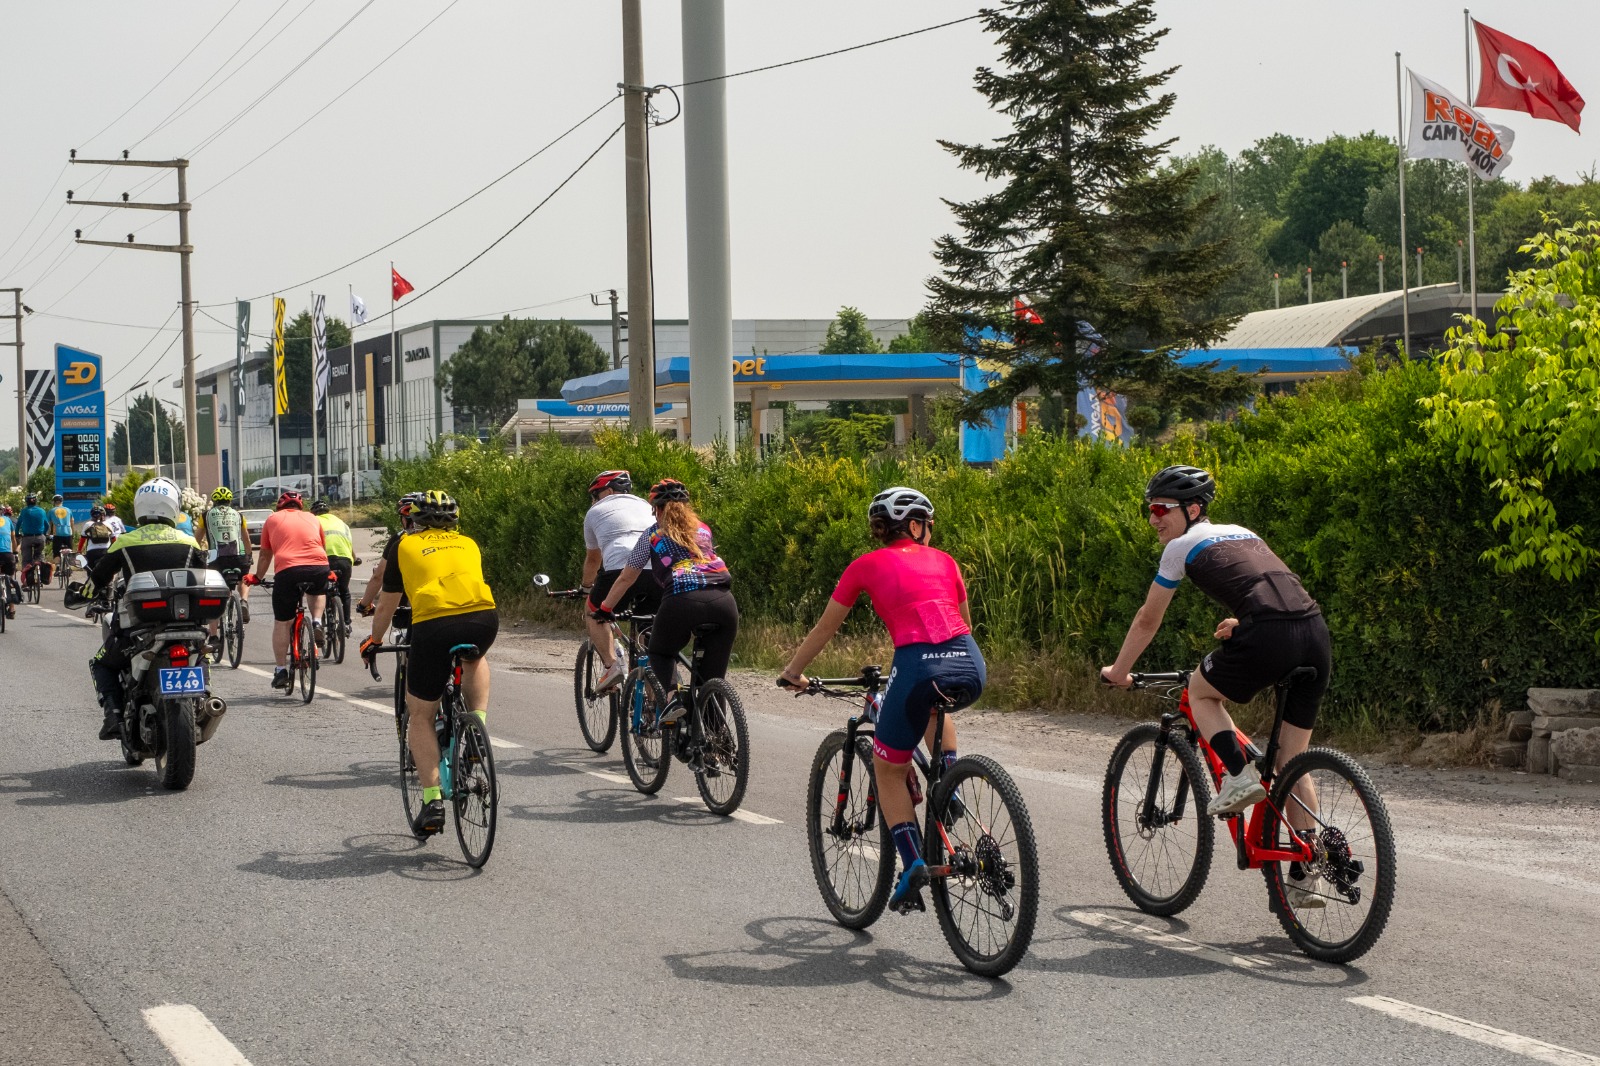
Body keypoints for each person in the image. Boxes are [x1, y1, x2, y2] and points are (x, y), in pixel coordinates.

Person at [1099, 465, 1332, 908]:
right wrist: (1244, 621)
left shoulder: (1179, 548)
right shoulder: (1243, 532)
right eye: (1150, 510)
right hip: (1314, 633)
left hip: (1268, 632)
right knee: (1291, 761)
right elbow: (1272, 590)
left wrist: (1120, 671)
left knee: (1200, 692)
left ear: (1192, 510)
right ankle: (1309, 871)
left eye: (1160, 509)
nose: (1152, 519)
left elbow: (1148, 618)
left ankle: (1239, 777)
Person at [779, 487, 983, 912]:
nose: (930, 531)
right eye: (928, 524)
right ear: (915, 525)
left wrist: (793, 672)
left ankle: (912, 864)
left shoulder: (864, 566)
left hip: (916, 666)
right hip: (970, 663)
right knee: (936, 702)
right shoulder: (946, 561)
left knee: (888, 769)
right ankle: (948, 781)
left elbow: (825, 628)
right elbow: (964, 622)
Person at [360, 490, 497, 836]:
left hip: (435, 624)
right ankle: (477, 726)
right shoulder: (468, 543)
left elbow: (388, 602)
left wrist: (375, 640)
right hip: (484, 619)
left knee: (420, 715)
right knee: (474, 657)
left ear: (414, 520)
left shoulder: (403, 545)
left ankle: (432, 800)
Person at [595, 479, 737, 721]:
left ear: (657, 510)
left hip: (683, 599)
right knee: (710, 681)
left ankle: (673, 699)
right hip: (724, 602)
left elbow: (627, 577)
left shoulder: (653, 535)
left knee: (659, 651)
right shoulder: (703, 530)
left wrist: (605, 608)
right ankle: (716, 738)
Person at [86, 478, 207, 740]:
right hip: (184, 622)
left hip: (137, 628)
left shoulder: (125, 542)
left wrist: (79, 595)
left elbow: (96, 580)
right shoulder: (189, 542)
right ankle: (204, 694)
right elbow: (205, 578)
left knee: (101, 664)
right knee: (200, 652)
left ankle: (113, 715)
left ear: (139, 506)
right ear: (174, 506)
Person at [581, 470, 658, 692]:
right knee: (648, 627)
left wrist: (586, 587)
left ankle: (611, 666)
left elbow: (593, 559)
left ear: (608, 491)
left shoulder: (595, 512)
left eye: (595, 495)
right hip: (656, 572)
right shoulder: (646, 506)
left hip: (620, 570)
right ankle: (653, 701)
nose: (594, 500)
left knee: (593, 612)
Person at [245, 490, 329, 691]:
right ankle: (317, 621)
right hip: (318, 566)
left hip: (288, 569)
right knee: (317, 591)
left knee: (282, 623)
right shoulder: (313, 518)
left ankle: (281, 670)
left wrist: (257, 577)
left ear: (279, 506)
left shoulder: (272, 519)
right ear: (300, 506)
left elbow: (265, 554)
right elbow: (322, 547)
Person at [200, 487, 253, 648]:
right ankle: (243, 601)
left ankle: (214, 637)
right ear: (230, 501)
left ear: (214, 501)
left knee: (213, 595)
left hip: (216, 558)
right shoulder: (239, 515)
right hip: (238, 556)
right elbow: (246, 538)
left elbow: (197, 538)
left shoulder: (206, 515)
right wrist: (249, 555)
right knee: (244, 578)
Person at [356, 492, 421, 619]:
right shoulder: (449, 538)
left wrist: (364, 605)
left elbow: (378, 576)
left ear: (405, 519)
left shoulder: (400, 539)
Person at [312, 499, 356, 634]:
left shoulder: (313, 522)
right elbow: (348, 544)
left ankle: (320, 622)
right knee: (344, 591)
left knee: (320, 590)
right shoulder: (342, 523)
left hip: (324, 559)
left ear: (313, 513)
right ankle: (347, 624)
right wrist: (354, 559)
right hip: (344, 559)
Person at [15, 492, 50, 587]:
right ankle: (40, 576)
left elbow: (18, 524)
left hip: (27, 538)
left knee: (26, 559)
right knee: (40, 556)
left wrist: (17, 534)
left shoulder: (24, 511)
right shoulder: (41, 511)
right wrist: (44, 533)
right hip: (40, 537)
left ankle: (26, 581)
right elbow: (47, 525)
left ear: (26, 502)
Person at [78, 506, 117, 572]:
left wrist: (79, 550)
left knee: (90, 572)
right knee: (108, 571)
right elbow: (114, 539)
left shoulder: (88, 524)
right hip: (106, 551)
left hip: (91, 552)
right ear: (103, 515)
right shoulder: (108, 524)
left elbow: (82, 539)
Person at [0, 505, 17, 618]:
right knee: (10, 580)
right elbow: (13, 538)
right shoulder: (8, 520)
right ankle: (11, 609)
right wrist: (15, 553)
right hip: (8, 555)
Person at [48, 495, 75, 562]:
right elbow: (72, 522)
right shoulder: (68, 510)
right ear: (62, 502)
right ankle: (69, 565)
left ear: (54, 502)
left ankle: (57, 566)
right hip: (68, 533)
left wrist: (48, 534)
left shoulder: (51, 511)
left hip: (57, 534)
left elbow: (49, 524)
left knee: (56, 553)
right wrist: (73, 533)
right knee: (70, 552)